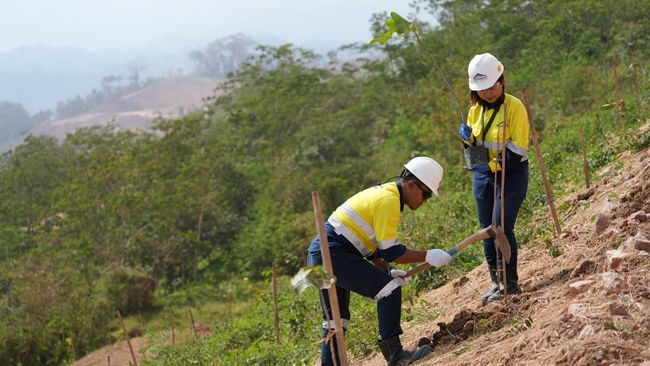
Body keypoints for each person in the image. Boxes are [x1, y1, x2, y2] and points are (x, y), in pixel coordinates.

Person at [307, 156, 453, 366]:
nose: (425, 200)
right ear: (412, 185)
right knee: (390, 290)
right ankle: (396, 356)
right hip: (332, 253)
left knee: (336, 320)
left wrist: (388, 270)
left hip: (319, 254)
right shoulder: (388, 201)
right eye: (426, 194)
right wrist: (428, 255)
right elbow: (391, 251)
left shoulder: (385, 195)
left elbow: (371, 248)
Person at [458, 53, 530, 303]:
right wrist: (467, 140)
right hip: (483, 177)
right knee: (487, 230)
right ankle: (496, 283)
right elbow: (474, 151)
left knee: (500, 226)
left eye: (491, 87)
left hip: (511, 174)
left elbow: (518, 148)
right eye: (482, 89)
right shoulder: (474, 111)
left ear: (501, 80)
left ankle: (510, 283)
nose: (487, 93)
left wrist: (488, 166)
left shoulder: (514, 107)